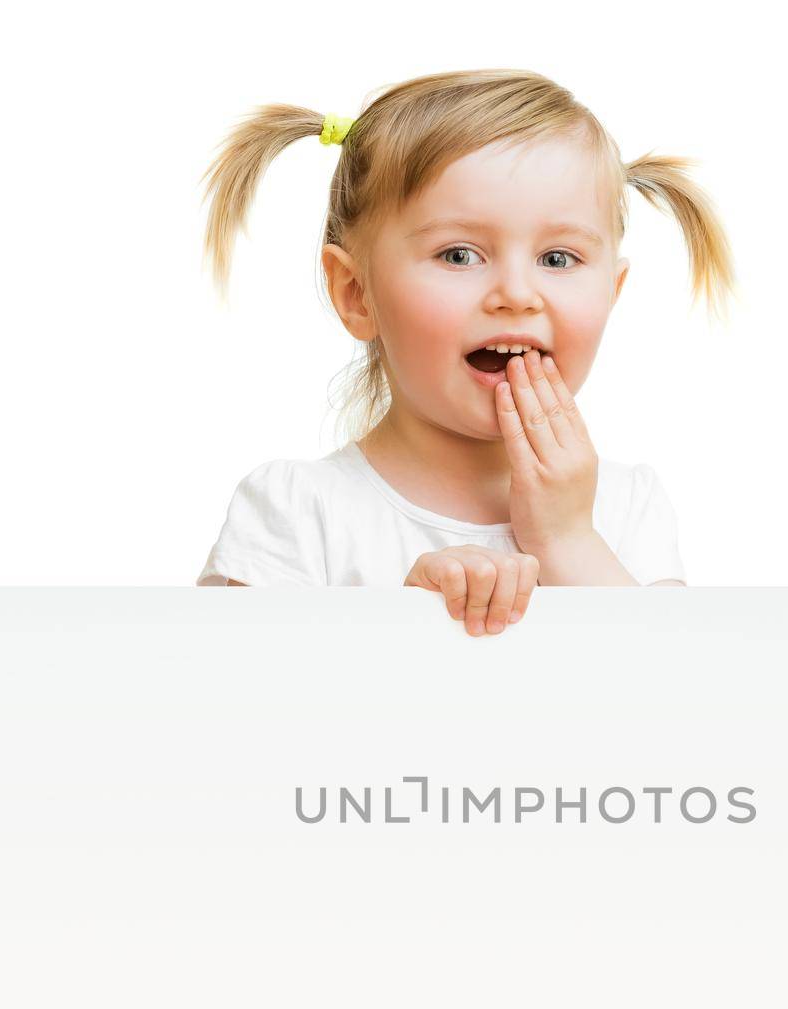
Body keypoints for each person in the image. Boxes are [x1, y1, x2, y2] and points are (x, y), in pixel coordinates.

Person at [194, 68, 738, 634]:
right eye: (459, 255)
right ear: (357, 293)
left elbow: (676, 695)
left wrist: (567, 540)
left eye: (557, 259)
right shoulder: (296, 513)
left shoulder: (627, 508)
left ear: (612, 293)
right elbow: (246, 709)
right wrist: (404, 624)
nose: (518, 295)